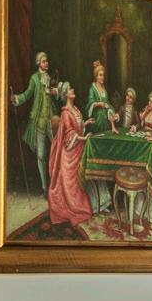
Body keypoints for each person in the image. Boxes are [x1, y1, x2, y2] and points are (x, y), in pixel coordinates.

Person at [11, 50, 58, 193]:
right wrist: (17, 99)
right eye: (43, 61)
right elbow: (27, 94)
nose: (46, 63)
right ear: (38, 63)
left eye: (47, 61)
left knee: (57, 152)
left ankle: (57, 186)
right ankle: (44, 187)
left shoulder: (49, 77)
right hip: (39, 122)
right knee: (41, 155)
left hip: (51, 121)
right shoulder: (34, 79)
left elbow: (53, 96)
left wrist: (56, 92)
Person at [47, 83, 93, 228]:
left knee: (82, 178)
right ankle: (74, 208)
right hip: (69, 154)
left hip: (78, 149)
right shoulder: (66, 113)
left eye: (72, 88)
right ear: (65, 95)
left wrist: (85, 123)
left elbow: (77, 127)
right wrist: (84, 138)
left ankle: (81, 205)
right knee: (72, 183)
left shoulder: (76, 109)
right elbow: (70, 135)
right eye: (69, 90)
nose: (73, 90)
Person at [84, 59, 116, 211]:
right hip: (96, 123)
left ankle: (105, 201)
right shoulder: (92, 88)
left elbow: (108, 104)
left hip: (105, 124)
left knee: (105, 161)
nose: (102, 77)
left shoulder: (104, 88)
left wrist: (111, 111)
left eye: (103, 75)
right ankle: (96, 202)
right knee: (96, 161)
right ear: (96, 76)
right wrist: (97, 104)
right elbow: (88, 105)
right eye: (100, 75)